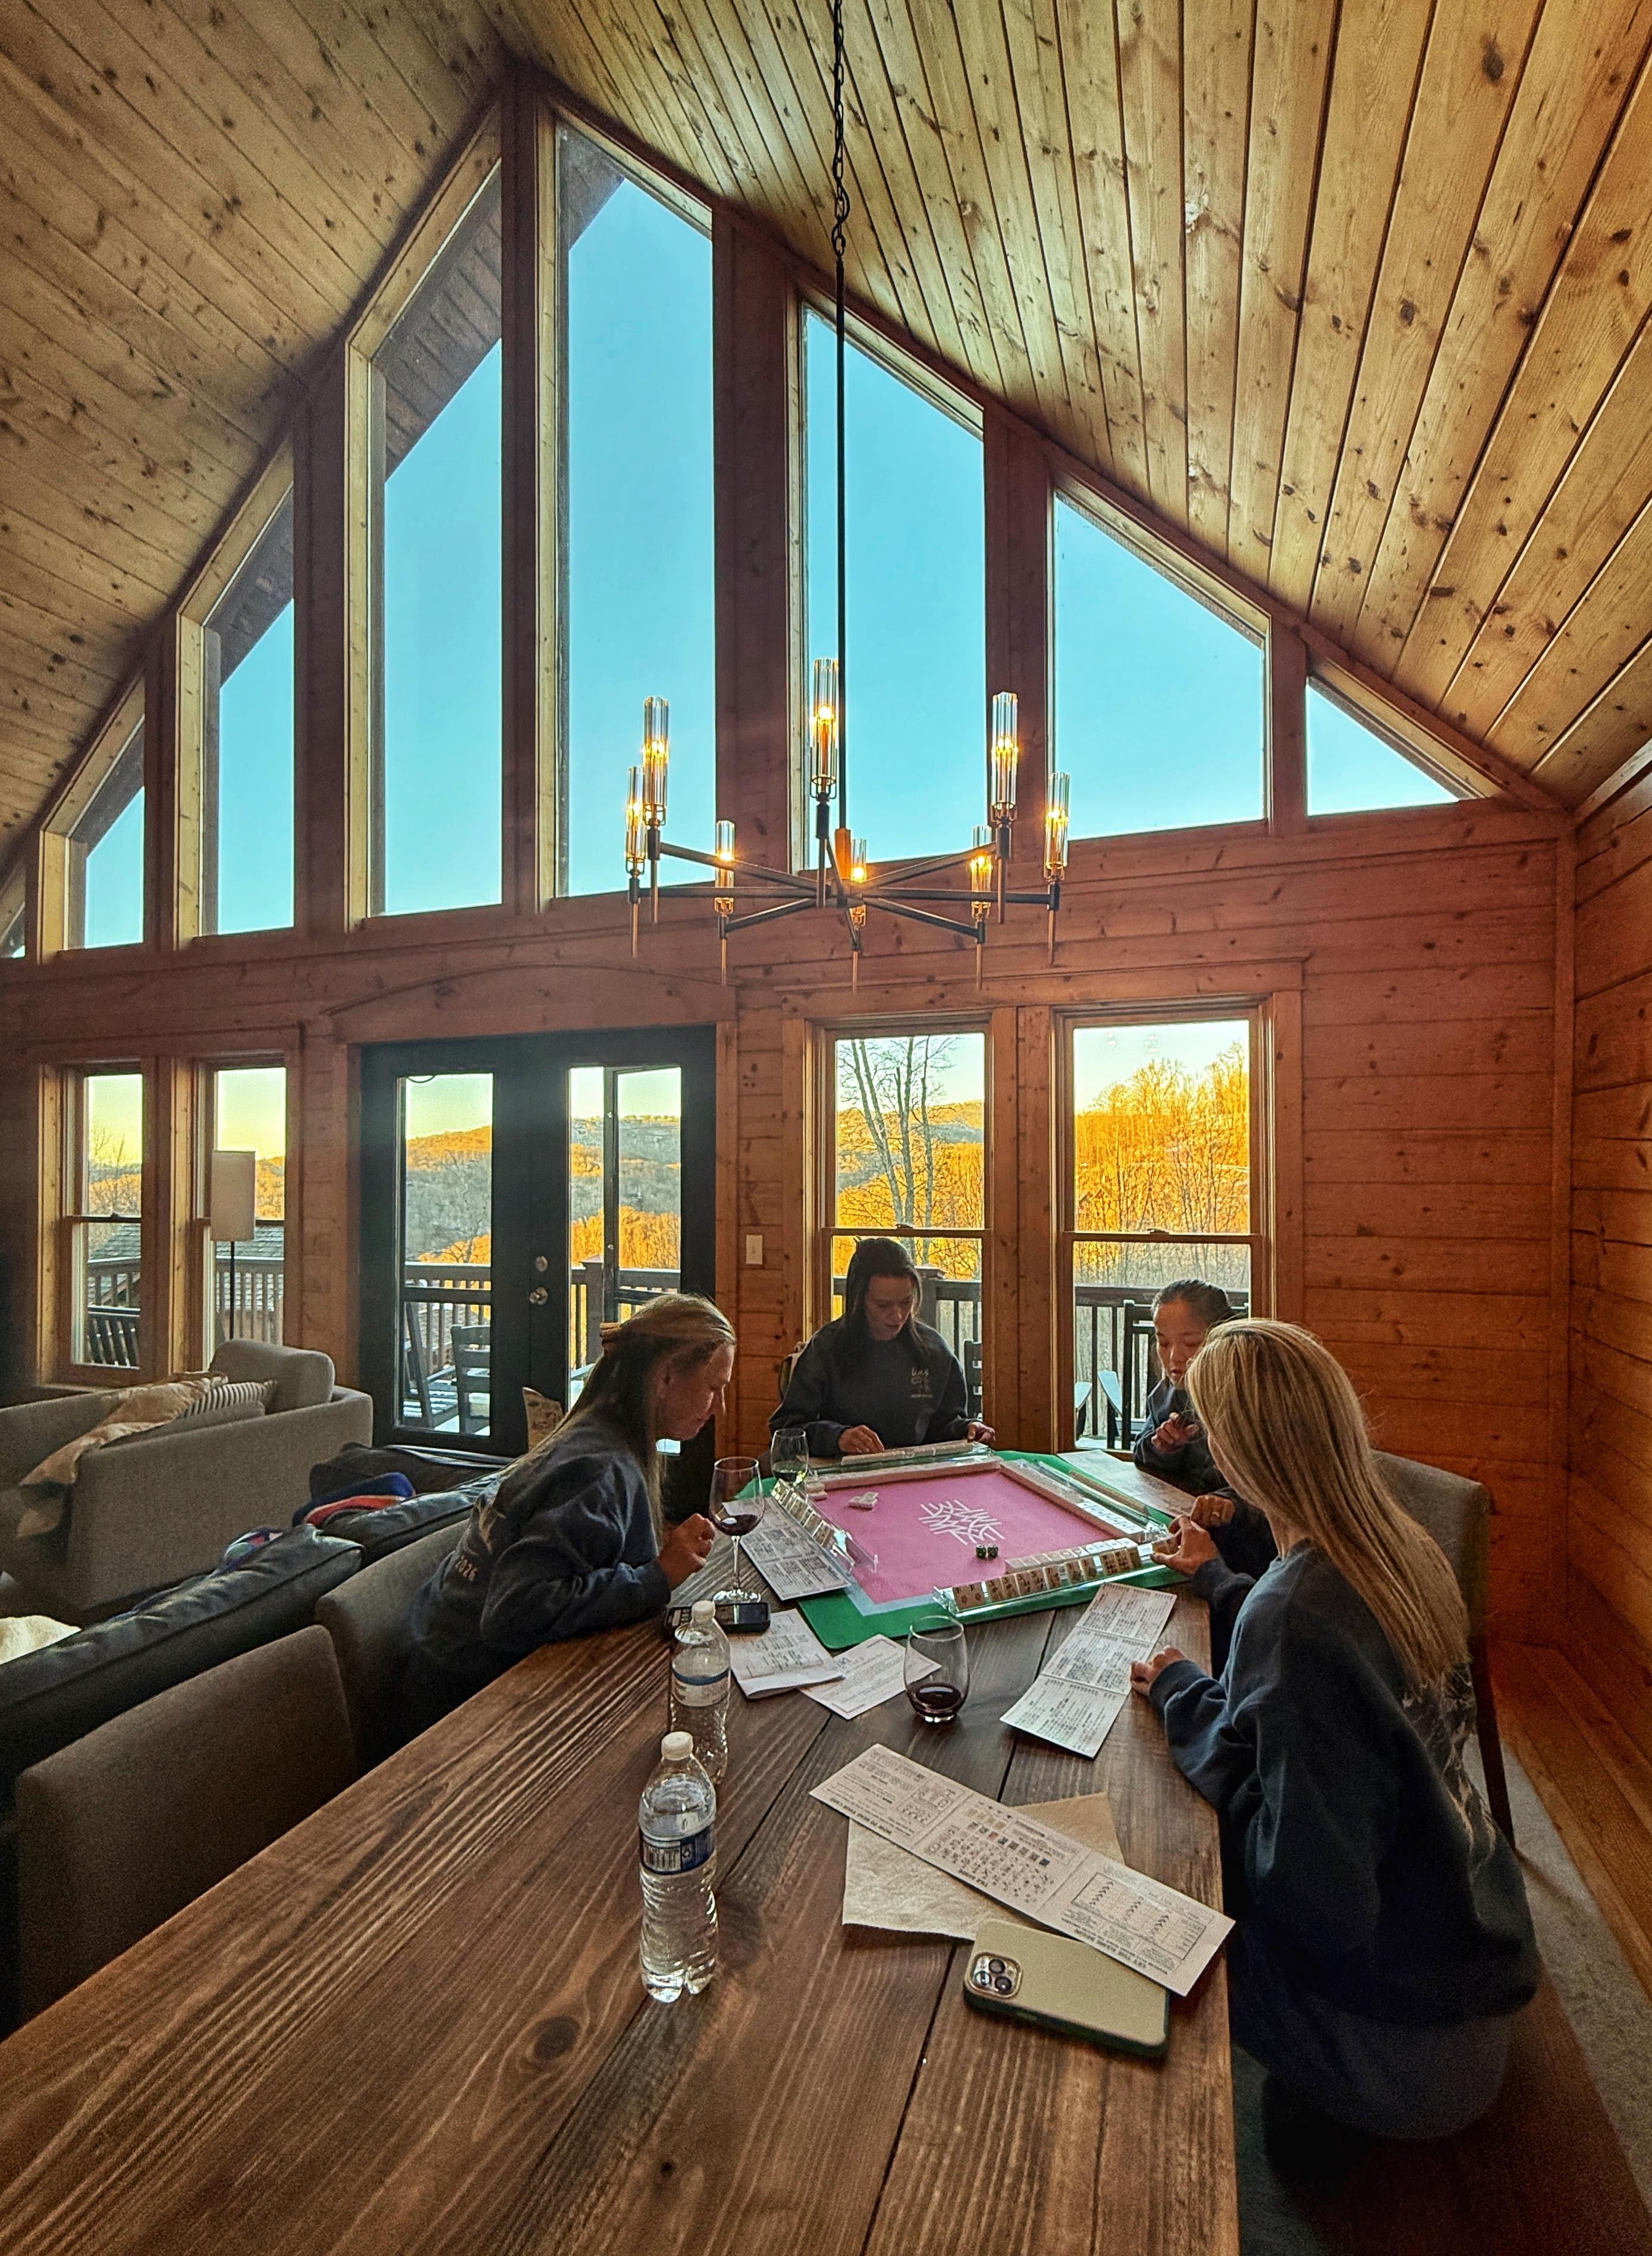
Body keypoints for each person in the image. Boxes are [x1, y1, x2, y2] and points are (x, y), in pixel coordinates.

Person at [1130, 1320, 1538, 2151]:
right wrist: (1202, 1675)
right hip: (1470, 1972)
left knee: (1140, 1904)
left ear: (1236, 1453)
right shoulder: (1402, 1546)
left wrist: (1189, 1708)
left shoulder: (1291, 1615)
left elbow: (1313, 1904)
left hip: (1395, 2053)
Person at [403, 1294, 730, 1730]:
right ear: (666, 1376)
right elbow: (511, 1613)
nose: (720, 1407)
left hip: (452, 1664)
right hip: (458, 1706)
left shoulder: (607, 1435)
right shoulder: (598, 1471)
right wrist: (658, 1575)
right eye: (714, 1387)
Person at [771, 1236, 994, 1458]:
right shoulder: (825, 1349)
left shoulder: (935, 1351)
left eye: (905, 1303)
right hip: (843, 1470)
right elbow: (786, 1428)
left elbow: (944, 1425)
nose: (897, 1316)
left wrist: (967, 1429)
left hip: (914, 1470)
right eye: (882, 1305)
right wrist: (838, 1437)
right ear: (859, 1300)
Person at [1133, 1279, 1276, 1584]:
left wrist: (1231, 1503)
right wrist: (1163, 1448)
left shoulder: (1253, 1398)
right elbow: (1142, 1453)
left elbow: (1280, 1484)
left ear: (1221, 1337)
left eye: (1190, 1343)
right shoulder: (1169, 1394)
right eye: (1163, 1343)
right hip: (1187, 1531)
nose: (1174, 1358)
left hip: (1252, 1556)